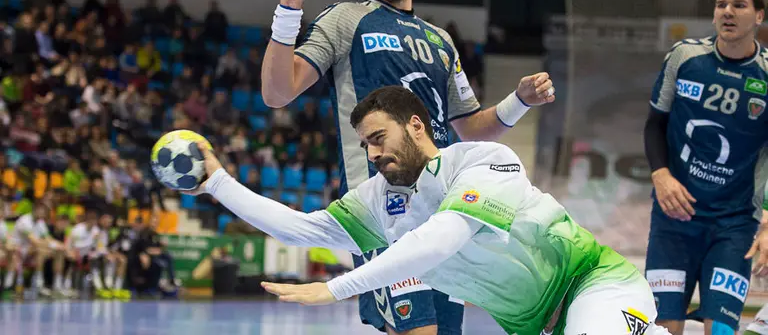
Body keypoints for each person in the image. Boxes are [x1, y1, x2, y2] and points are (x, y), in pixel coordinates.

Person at [260, 0, 555, 335]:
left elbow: (471, 129)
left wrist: (519, 101)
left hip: (441, 210)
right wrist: (289, 10)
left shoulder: (439, 40)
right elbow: (277, 92)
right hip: (382, 206)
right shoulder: (345, 20)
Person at [181, 86, 676, 335]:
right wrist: (218, 183)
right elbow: (302, 229)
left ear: (416, 126)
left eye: (379, 138)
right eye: (365, 145)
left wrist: (335, 289)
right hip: (536, 324)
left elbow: (441, 238)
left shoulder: (484, 160)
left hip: (592, 281)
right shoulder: (378, 197)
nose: (372, 154)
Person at [643, 0, 768, 335]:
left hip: (735, 223)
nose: (728, 11)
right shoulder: (685, 57)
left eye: (739, 5)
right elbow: (654, 124)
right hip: (674, 218)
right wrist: (661, 174)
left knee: (721, 330)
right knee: (663, 328)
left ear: (759, 16)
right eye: (721, 4)